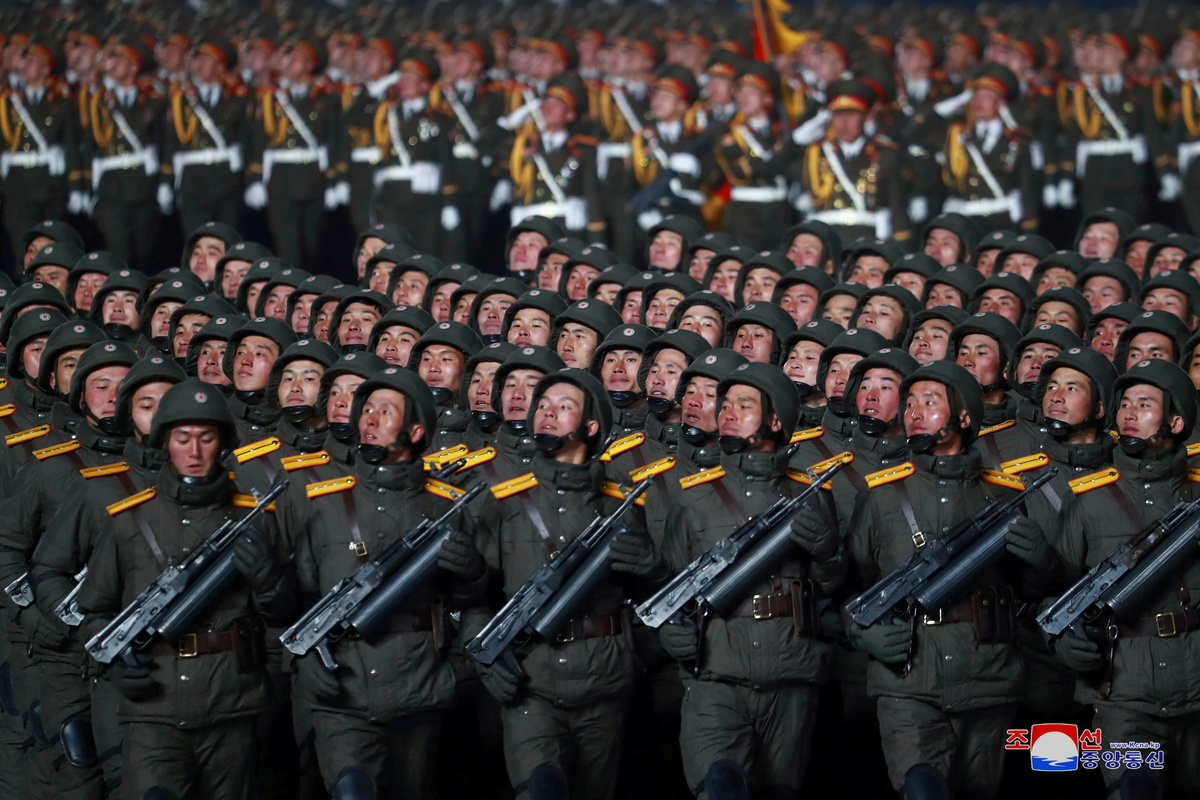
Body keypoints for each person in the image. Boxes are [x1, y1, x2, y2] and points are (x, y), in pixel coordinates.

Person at [76, 379, 291, 800]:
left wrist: (268, 578)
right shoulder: (130, 520)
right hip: (153, 710)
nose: (194, 452)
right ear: (164, 442)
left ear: (222, 444)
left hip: (233, 704)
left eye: (206, 439)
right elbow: (93, 611)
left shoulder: (256, 518)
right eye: (182, 438)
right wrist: (115, 664)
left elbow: (283, 616)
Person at [846, 361, 1045, 798]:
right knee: (922, 787)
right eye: (910, 403)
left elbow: (1031, 594)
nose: (914, 412)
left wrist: (1041, 561)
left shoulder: (1004, 494)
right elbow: (851, 586)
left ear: (964, 417)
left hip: (988, 678)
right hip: (907, 679)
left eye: (930, 401)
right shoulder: (880, 496)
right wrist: (864, 634)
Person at [460, 369, 655, 800]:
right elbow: (474, 594)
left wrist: (635, 652)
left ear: (591, 427)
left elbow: (652, 600)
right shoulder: (501, 502)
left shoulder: (624, 504)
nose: (547, 413)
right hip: (530, 685)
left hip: (605, 683)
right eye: (543, 406)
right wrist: (482, 656)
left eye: (563, 407)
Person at [288, 366, 475, 799]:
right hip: (341, 693)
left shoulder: (446, 506)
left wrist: (456, 672)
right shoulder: (322, 503)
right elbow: (293, 598)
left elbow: (471, 601)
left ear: (415, 431)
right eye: (367, 409)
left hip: (419, 688)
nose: (369, 418)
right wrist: (301, 664)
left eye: (385, 411)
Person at [659, 361, 841, 798]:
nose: (728, 414)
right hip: (715, 674)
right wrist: (670, 631)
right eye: (725, 406)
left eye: (744, 405)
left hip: (791, 673)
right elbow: (667, 585)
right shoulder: (693, 496)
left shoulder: (810, 495)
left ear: (776, 420)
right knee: (718, 786)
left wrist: (827, 554)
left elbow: (830, 586)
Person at [1048, 358, 1200, 798]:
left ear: (1175, 422)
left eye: (1145, 404)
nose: (1129, 413)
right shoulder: (1089, 499)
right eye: (1125, 404)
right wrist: (1062, 640)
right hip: (1121, 696)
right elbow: (1052, 591)